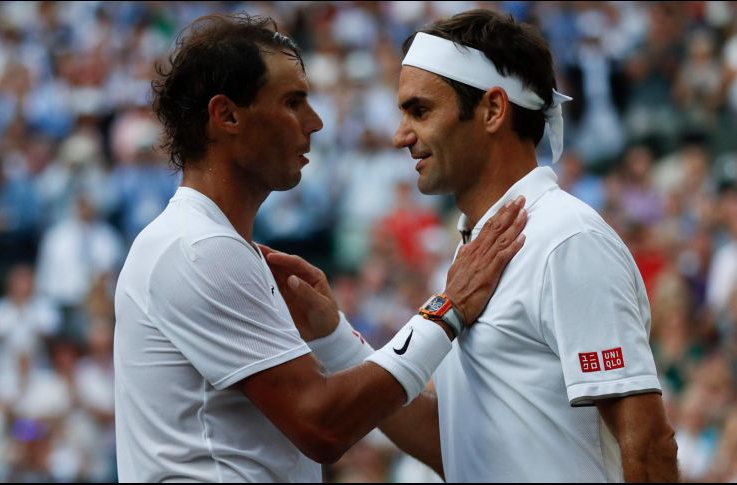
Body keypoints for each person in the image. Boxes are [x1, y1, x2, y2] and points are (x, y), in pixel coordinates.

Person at [267, 9, 680, 483]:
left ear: (493, 110)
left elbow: (648, 445)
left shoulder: (567, 239)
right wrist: (335, 336)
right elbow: (456, 449)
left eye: (419, 110)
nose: (400, 135)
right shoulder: (476, 250)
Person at [113, 13, 527, 482]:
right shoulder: (199, 248)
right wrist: (447, 309)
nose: (315, 122)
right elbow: (323, 426)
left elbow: (433, 444)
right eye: (293, 102)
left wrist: (333, 336)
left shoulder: (207, 243)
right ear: (226, 115)